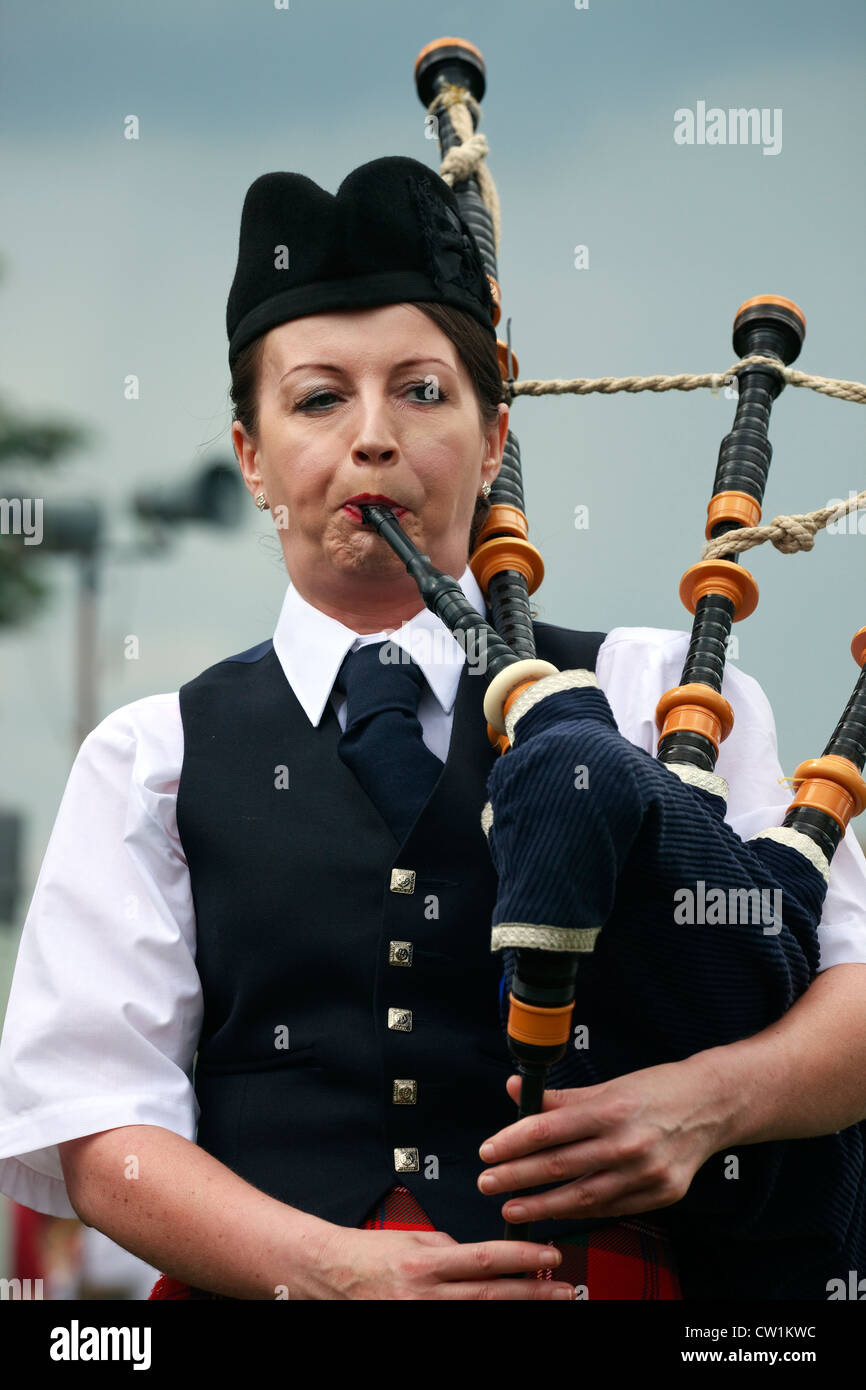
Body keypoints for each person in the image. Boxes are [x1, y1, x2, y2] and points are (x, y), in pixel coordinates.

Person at [1, 156, 865, 1301]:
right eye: (317, 398)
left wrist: (704, 1105)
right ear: (250, 455)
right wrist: (325, 1269)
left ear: (493, 435)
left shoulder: (653, 691)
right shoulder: (152, 757)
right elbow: (93, 1123)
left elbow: (848, 993)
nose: (372, 438)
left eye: (420, 391)